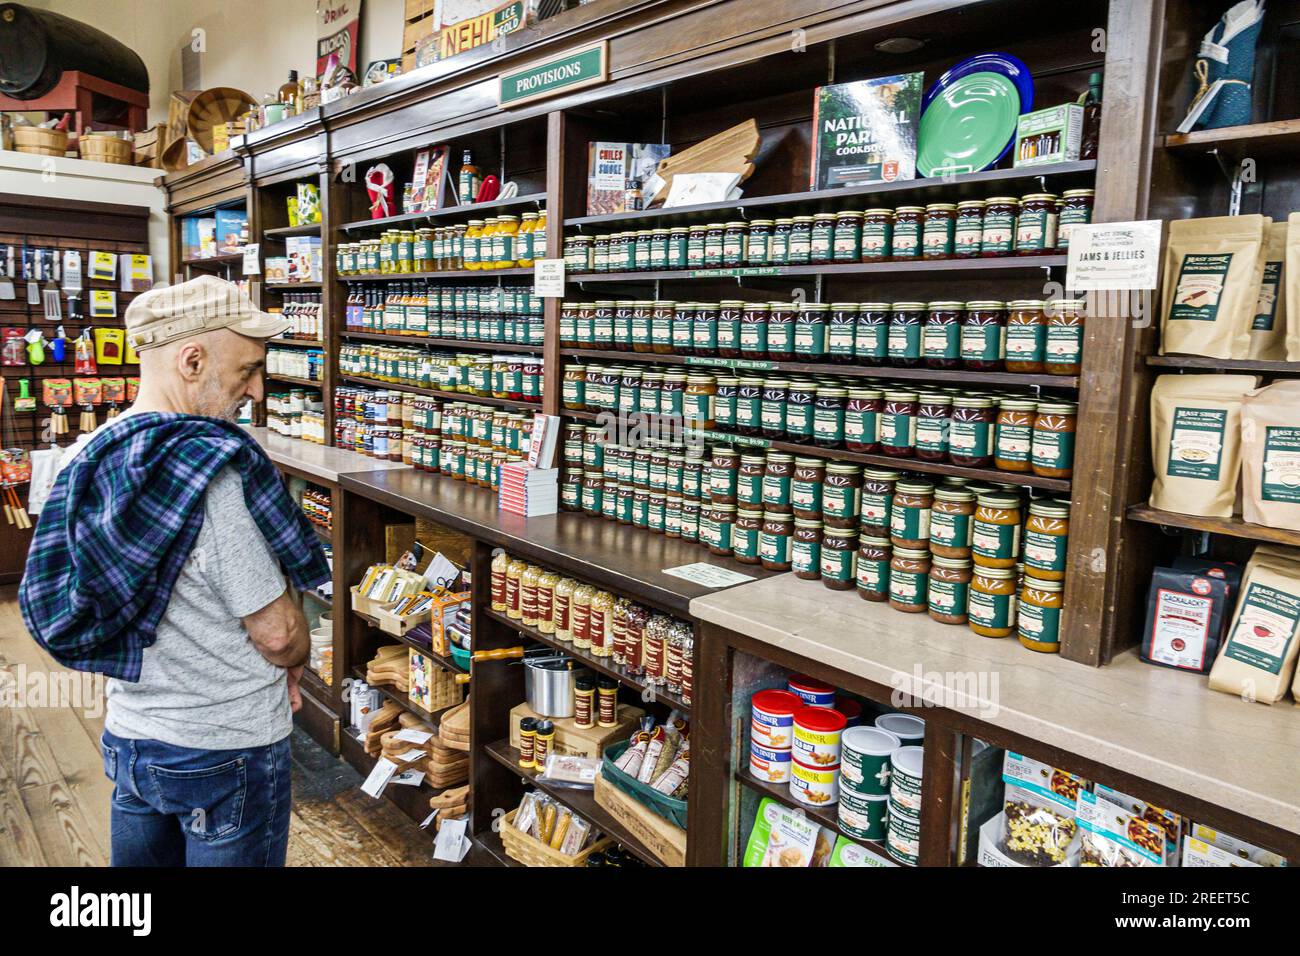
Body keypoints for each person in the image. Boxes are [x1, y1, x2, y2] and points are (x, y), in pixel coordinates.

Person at [19, 275, 330, 867]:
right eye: (247, 370)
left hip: (132, 732)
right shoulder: (206, 472)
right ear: (192, 360)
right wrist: (297, 660)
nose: (257, 391)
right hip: (225, 748)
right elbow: (278, 633)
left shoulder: (92, 452)